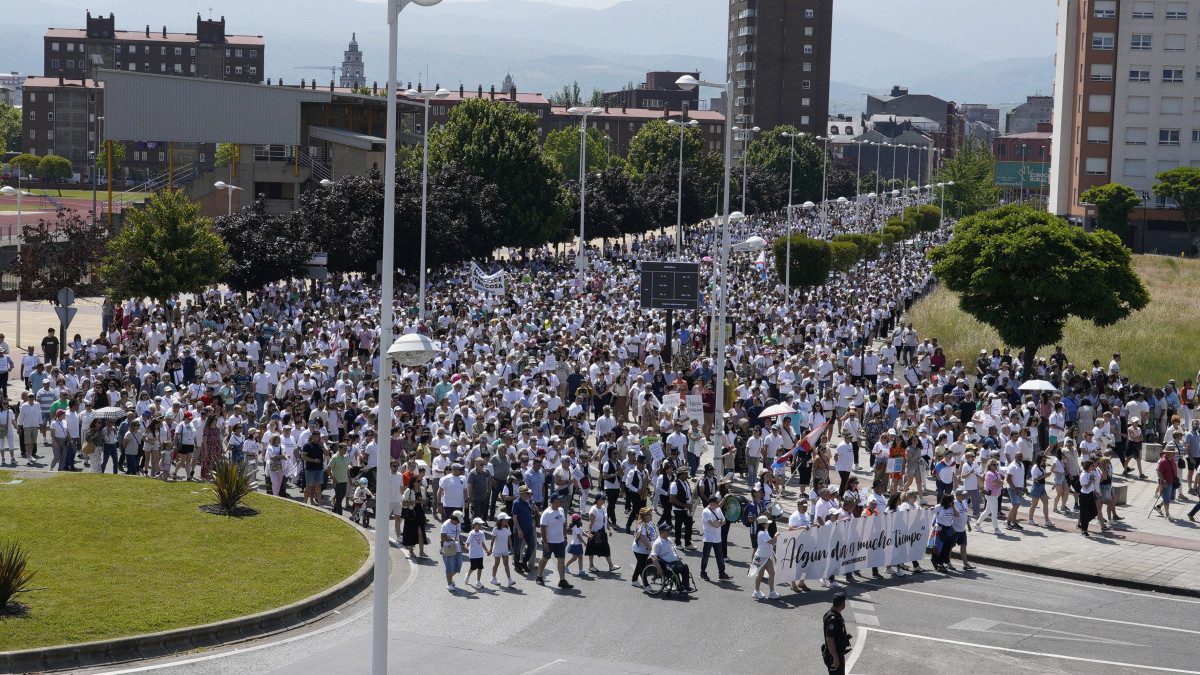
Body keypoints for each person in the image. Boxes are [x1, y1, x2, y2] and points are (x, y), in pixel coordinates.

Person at [535, 492, 573, 589]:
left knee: (561, 560)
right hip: (549, 542)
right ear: (554, 501)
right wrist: (545, 542)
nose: (561, 501)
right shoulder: (547, 513)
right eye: (559, 499)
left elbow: (564, 524)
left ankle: (562, 580)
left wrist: (565, 537)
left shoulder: (560, 510)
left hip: (560, 541)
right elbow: (542, 528)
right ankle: (539, 577)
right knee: (545, 559)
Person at [649, 523, 692, 592]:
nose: (669, 532)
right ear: (662, 531)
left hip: (674, 561)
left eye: (669, 530)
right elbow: (653, 556)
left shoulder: (668, 539)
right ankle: (679, 587)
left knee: (685, 566)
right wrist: (658, 568)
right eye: (667, 530)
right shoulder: (657, 543)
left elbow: (672, 551)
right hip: (666, 564)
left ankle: (686, 586)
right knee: (674, 568)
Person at [585, 494, 619, 573]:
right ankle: (591, 566)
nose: (604, 499)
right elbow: (590, 522)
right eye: (602, 498)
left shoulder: (603, 508)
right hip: (595, 532)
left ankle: (611, 565)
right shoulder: (593, 510)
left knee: (606, 548)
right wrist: (589, 533)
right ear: (597, 500)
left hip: (603, 532)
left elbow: (605, 520)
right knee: (591, 550)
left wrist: (609, 529)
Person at [699, 496, 730, 581]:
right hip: (709, 538)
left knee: (720, 557)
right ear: (711, 503)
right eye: (716, 503)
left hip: (717, 538)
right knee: (705, 556)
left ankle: (722, 573)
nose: (718, 505)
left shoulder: (718, 509)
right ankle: (702, 572)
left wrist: (718, 523)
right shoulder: (706, 512)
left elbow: (724, 521)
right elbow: (713, 524)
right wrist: (719, 522)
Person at [751, 514, 781, 600]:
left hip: (767, 556)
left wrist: (774, 555)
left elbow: (769, 546)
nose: (768, 524)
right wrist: (776, 535)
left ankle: (772, 592)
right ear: (763, 524)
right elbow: (771, 542)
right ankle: (756, 591)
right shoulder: (762, 533)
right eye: (767, 523)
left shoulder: (764, 532)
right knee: (760, 574)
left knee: (772, 573)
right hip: (761, 556)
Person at [822, 592, 852, 675]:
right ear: (843, 603)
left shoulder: (834, 614)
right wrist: (835, 657)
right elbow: (829, 639)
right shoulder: (833, 619)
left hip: (837, 653)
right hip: (833, 654)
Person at [512, 485, 537, 574]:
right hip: (520, 529)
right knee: (517, 548)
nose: (529, 494)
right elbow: (514, 518)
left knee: (532, 545)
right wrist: (519, 529)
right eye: (527, 493)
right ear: (522, 494)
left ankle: (524, 562)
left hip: (528, 528)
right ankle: (517, 565)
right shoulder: (516, 503)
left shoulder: (527, 502)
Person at [630, 506, 656, 588]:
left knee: (640, 564)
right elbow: (641, 536)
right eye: (649, 514)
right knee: (642, 566)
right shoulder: (642, 524)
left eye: (651, 514)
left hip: (646, 550)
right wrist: (649, 546)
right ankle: (646, 584)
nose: (651, 516)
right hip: (640, 549)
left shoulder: (650, 524)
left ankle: (634, 580)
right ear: (644, 516)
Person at [1155, 442, 1180, 522]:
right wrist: (1164, 481)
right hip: (1167, 482)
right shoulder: (1163, 461)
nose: (1174, 454)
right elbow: (1159, 472)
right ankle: (1167, 514)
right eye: (1172, 452)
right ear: (1168, 453)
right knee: (1167, 499)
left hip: (1173, 481)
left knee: (1171, 498)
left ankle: (1158, 507)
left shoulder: (1171, 458)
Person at [489, 512, 515, 587]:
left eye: (507, 520)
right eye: (505, 520)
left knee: (506, 564)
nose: (507, 521)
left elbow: (509, 539)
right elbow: (492, 540)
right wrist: (490, 549)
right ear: (501, 521)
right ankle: (493, 578)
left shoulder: (508, 528)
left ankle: (509, 579)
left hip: (505, 549)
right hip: (497, 549)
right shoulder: (495, 529)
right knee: (496, 563)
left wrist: (511, 548)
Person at [441, 510, 464, 592]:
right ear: (453, 518)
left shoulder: (458, 524)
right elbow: (442, 537)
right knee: (449, 566)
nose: (458, 523)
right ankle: (449, 584)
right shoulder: (445, 525)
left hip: (457, 548)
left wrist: (462, 543)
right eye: (457, 521)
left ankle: (449, 576)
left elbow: (459, 534)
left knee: (458, 565)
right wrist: (451, 539)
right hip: (449, 548)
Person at [465, 517, 488, 588]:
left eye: (481, 525)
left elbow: (482, 543)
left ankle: (478, 581)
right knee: (473, 568)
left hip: (480, 554)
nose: (480, 526)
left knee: (480, 568)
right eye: (479, 525)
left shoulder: (481, 533)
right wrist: (466, 546)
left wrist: (487, 550)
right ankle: (468, 575)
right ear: (474, 525)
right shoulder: (471, 533)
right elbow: (468, 542)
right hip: (473, 554)